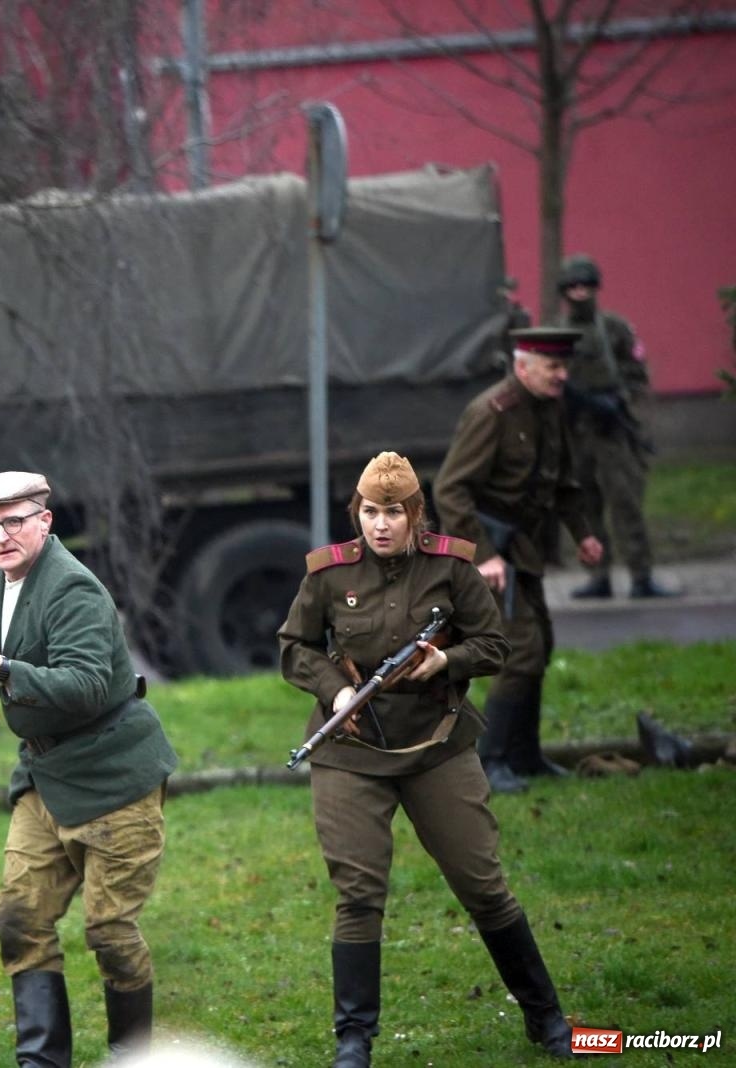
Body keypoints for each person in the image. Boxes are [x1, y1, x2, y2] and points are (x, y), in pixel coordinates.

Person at [278, 451, 575, 1067]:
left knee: (483, 885)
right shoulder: (329, 575)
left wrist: (447, 662)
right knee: (358, 894)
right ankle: (353, 1040)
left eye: (392, 512)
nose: (379, 524)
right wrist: (334, 687)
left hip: (438, 745)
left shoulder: (452, 566)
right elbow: (295, 646)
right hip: (352, 750)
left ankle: (546, 1017)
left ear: (416, 514)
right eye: (368, 511)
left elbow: (495, 643)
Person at [0, 471, 178, 1067]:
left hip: (114, 773)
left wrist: (5, 670)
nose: (0, 537)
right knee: (20, 918)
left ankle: (130, 1057)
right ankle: (41, 1061)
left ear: (45, 520)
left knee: (111, 934)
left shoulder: (73, 590)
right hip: (43, 776)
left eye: (14, 521)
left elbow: (87, 688)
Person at [433, 327, 605, 795]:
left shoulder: (550, 409)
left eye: (564, 366)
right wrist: (483, 555)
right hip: (490, 553)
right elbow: (450, 489)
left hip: (524, 551)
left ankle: (525, 756)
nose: (562, 375)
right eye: (553, 367)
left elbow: (563, 482)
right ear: (523, 365)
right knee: (519, 651)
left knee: (540, 646)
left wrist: (584, 533)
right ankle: (490, 763)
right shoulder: (492, 412)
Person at [554, 253, 677, 599]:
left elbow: (638, 374)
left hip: (612, 432)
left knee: (626, 504)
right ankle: (598, 576)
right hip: (577, 433)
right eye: (573, 286)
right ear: (564, 291)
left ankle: (641, 576)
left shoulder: (614, 329)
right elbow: (548, 384)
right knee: (586, 510)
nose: (580, 291)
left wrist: (618, 402)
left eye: (586, 285)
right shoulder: (557, 336)